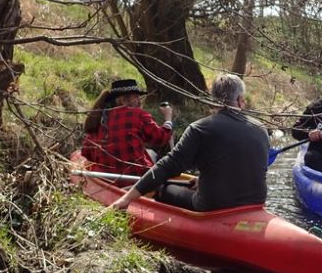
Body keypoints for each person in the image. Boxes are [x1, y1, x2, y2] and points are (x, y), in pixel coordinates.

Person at [110, 73, 269, 212]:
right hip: (256, 203)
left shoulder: (200, 129)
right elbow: (240, 164)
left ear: (212, 100)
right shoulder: (261, 128)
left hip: (212, 206)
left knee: (163, 187)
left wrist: (126, 198)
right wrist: (203, 179)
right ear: (240, 100)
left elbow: (168, 166)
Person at [81, 79, 174, 178]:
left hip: (106, 179)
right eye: (137, 98)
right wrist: (168, 118)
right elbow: (160, 138)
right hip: (137, 179)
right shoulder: (138, 114)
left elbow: (86, 152)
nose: (140, 102)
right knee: (152, 154)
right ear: (123, 100)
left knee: (149, 153)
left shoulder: (98, 118)